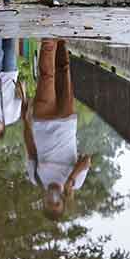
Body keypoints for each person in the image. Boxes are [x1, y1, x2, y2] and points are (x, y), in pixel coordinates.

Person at [22, 39, 92, 221]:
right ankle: (60, 38)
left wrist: (25, 120)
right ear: (63, 201)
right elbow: (86, 160)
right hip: (66, 119)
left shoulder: (36, 178)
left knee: (47, 76)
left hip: (42, 119)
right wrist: (70, 179)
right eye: (57, 203)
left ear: (43, 201)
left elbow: (30, 148)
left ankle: (48, 38)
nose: (53, 200)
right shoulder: (76, 183)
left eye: (49, 203)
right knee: (64, 69)